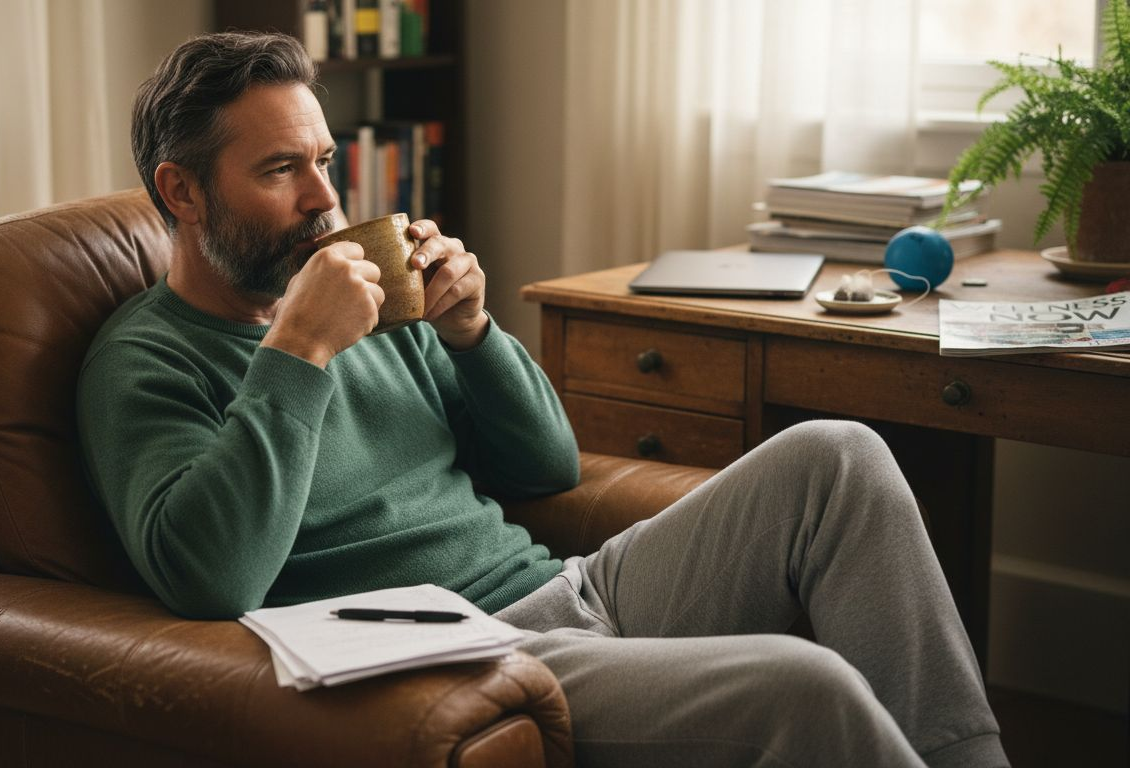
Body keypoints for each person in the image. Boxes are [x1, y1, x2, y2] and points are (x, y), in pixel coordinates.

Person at [76, 31, 1009, 768]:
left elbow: (544, 465)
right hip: (460, 658)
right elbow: (208, 577)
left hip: (576, 585)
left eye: (325, 159)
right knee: (806, 687)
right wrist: (299, 349)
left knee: (838, 455)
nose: (326, 198)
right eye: (282, 169)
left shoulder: (373, 300)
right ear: (183, 192)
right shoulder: (146, 362)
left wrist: (472, 332)